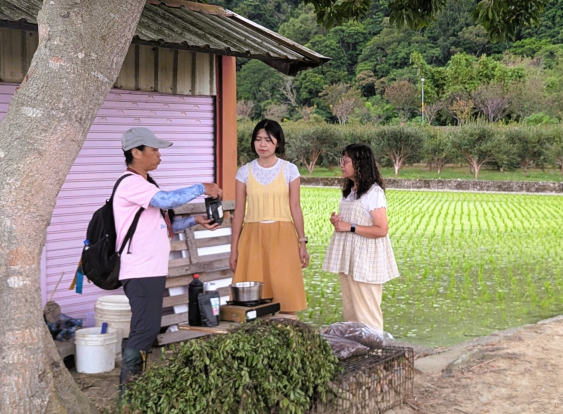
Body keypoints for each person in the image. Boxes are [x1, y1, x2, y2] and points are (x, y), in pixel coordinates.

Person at [115, 127, 222, 389]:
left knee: (147, 329)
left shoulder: (145, 184)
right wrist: (201, 187)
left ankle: (136, 386)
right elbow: (166, 200)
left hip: (150, 270)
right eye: (154, 150)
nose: (159, 156)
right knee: (144, 331)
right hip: (140, 271)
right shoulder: (131, 183)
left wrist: (193, 220)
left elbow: (161, 224)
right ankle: (129, 391)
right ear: (136, 153)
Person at [229, 120, 309, 316]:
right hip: (252, 237)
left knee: (285, 292)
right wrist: (233, 248)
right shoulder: (244, 172)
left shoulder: (290, 170)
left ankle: (288, 337)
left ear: (278, 143)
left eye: (267, 140)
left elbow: (295, 207)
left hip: (283, 237)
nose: (262, 145)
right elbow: (239, 211)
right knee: (254, 297)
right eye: (258, 139)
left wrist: (302, 242)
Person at [322, 144, 399, 331]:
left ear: (359, 164)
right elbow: (351, 223)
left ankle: (375, 354)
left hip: (366, 259)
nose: (342, 164)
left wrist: (350, 226)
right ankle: (360, 350)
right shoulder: (350, 191)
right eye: (342, 160)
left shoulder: (374, 193)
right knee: (352, 311)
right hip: (349, 257)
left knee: (367, 312)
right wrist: (339, 223)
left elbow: (381, 229)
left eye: (346, 161)